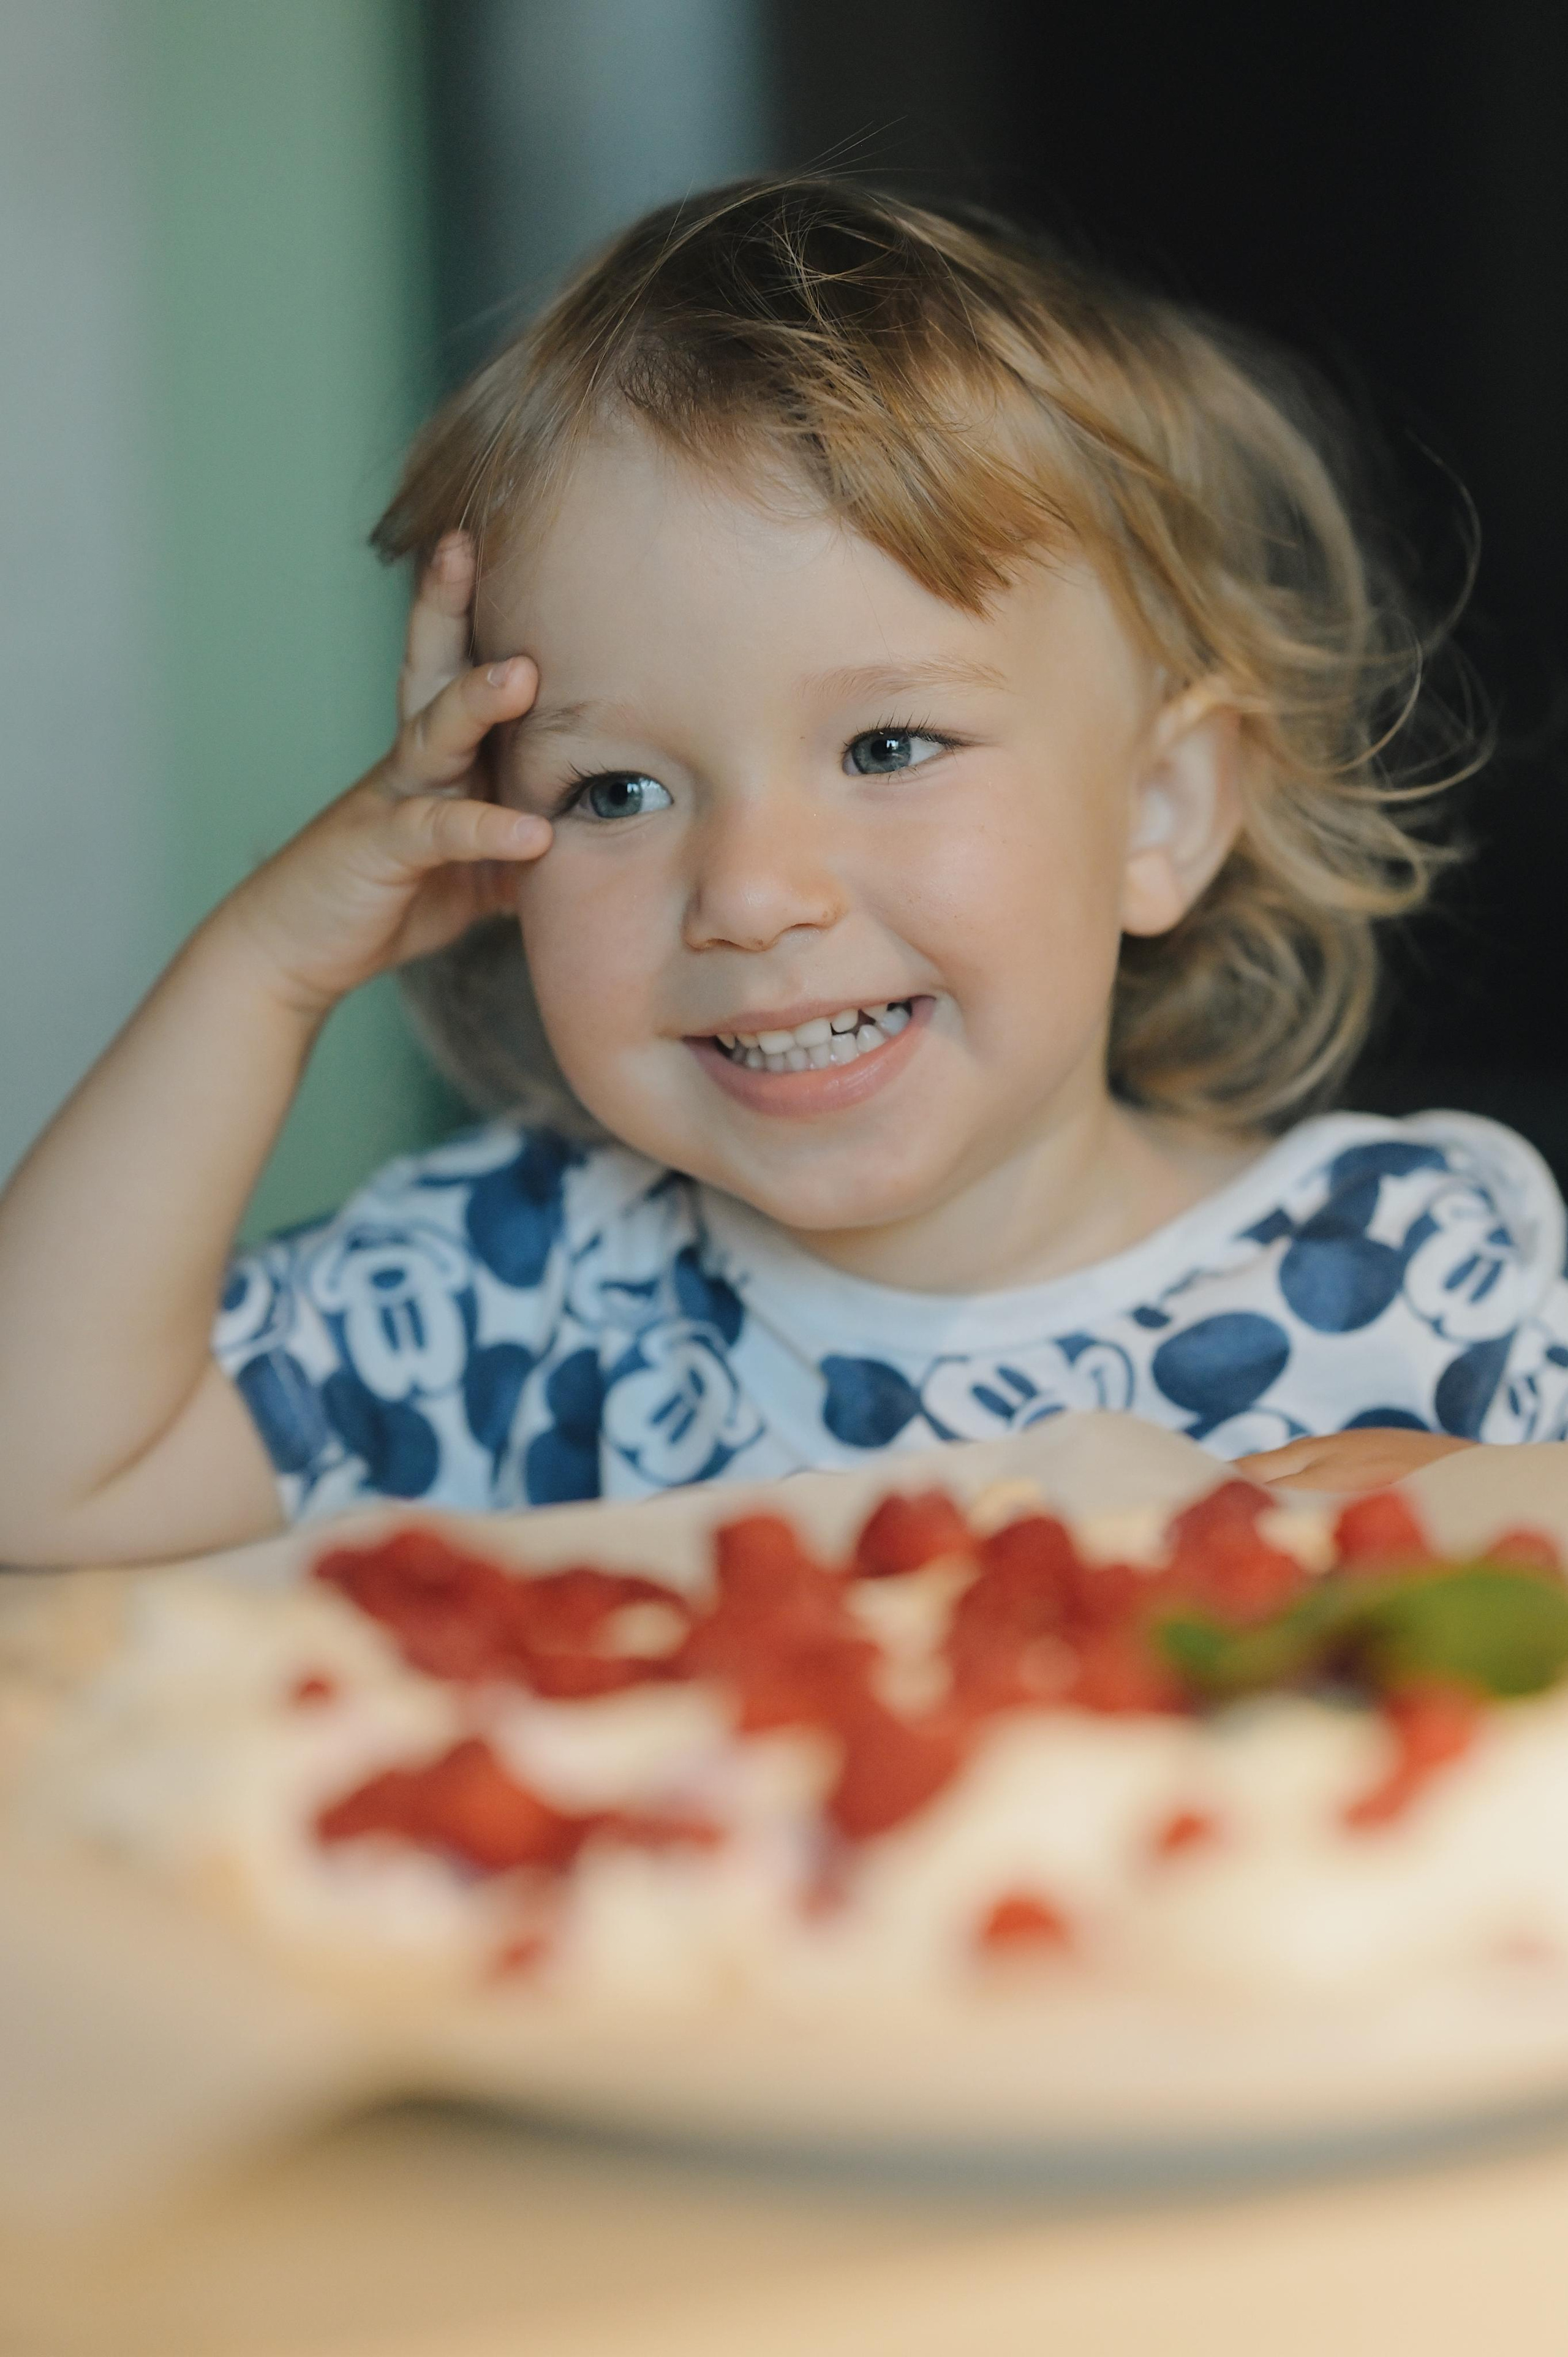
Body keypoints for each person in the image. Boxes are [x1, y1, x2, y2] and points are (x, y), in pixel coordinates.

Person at [0, 176, 1556, 1569]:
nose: (749, 893)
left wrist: (1499, 1503)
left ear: (1158, 809)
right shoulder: (516, 1290)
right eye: (614, 791)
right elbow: (40, 1478)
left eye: (886, 746)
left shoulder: (1413, 1284)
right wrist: (265, 968)